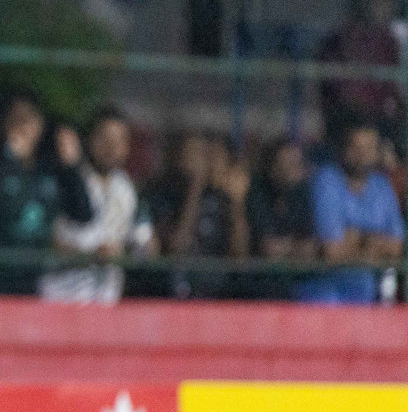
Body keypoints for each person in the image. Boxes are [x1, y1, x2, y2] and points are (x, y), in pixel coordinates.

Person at [0, 92, 92, 295]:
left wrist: (71, 167)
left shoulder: (50, 170)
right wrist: (9, 159)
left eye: (29, 119)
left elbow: (83, 214)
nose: (23, 127)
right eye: (16, 119)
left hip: (37, 283)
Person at [38, 107, 155, 304]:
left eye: (119, 140)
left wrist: (125, 252)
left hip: (105, 304)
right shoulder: (68, 180)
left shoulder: (127, 189)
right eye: (104, 137)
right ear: (89, 139)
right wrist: (90, 256)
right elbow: (45, 241)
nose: (111, 147)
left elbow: (147, 245)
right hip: (60, 299)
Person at [297, 121, 404, 304]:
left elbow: (396, 246)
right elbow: (333, 249)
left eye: (369, 148)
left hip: (367, 300)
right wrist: (375, 244)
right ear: (344, 149)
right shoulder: (327, 180)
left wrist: (356, 240)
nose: (362, 155)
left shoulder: (382, 185)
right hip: (323, 301)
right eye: (356, 147)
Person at [146, 131, 250, 299]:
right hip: (175, 293)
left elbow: (240, 256)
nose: (201, 162)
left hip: (218, 294)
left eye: (205, 155)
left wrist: (237, 204)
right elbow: (176, 247)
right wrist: (195, 188)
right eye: (192, 154)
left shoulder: (222, 197)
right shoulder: (164, 192)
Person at [318, 0, 403, 145]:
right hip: (349, 123)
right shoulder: (341, 40)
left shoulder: (388, 42)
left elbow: (392, 86)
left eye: (387, 3)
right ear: (364, 3)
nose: (386, 9)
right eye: (379, 3)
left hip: (381, 122)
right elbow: (337, 88)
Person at [247, 139, 316, 300]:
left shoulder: (303, 194)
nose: (290, 170)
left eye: (295, 163)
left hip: (297, 282)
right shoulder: (258, 191)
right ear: (272, 167)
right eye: (284, 164)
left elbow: (310, 248)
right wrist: (295, 247)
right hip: (258, 284)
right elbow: (269, 249)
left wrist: (288, 248)